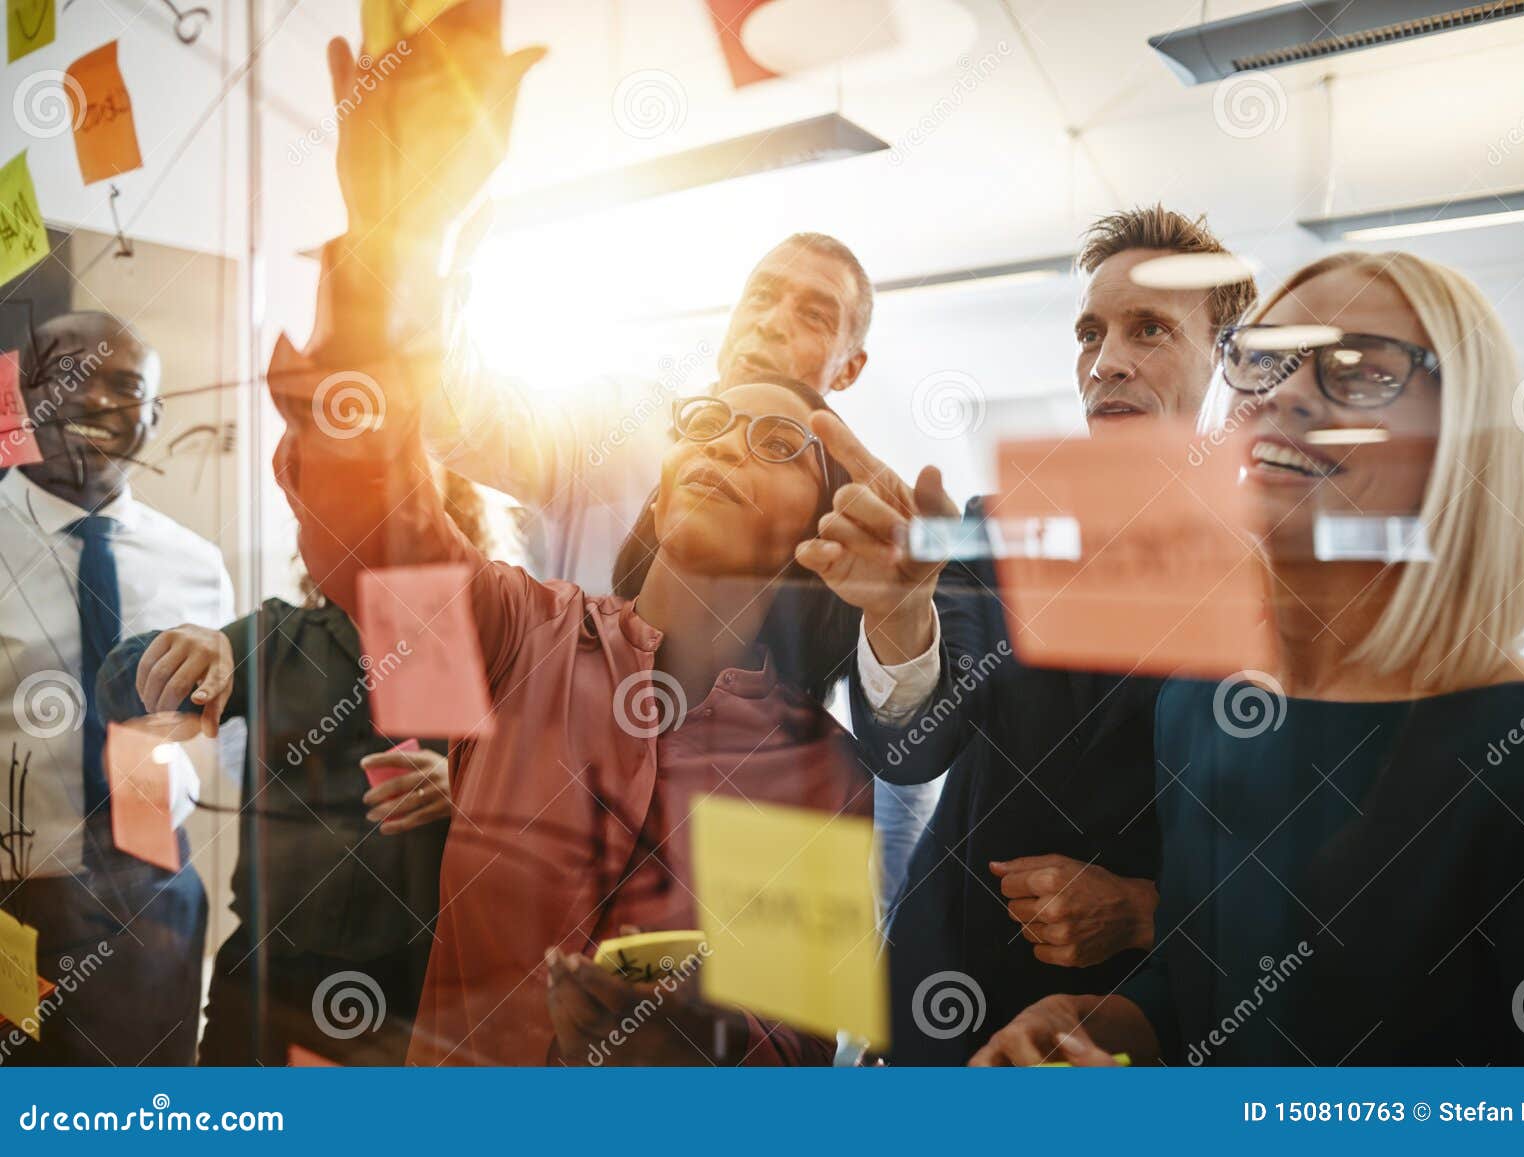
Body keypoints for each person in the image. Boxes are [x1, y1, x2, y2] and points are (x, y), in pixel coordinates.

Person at [267, 6, 873, 1065]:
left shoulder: (817, 771)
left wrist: (693, 1041)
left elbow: (787, 1051)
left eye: (774, 441)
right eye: (705, 424)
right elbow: (360, 520)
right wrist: (393, 246)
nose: (725, 442)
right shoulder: (517, 633)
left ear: (815, 531)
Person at [971, 251, 1524, 1066]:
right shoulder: (1203, 706)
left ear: (1460, 446)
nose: (1286, 392)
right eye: (1264, 358)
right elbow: (1209, 978)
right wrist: (1098, 1021)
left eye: (1363, 369)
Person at [796, 206, 1257, 1063]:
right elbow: (909, 749)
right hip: (941, 1002)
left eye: (1148, 329)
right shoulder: (999, 526)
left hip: (1124, 1032)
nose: (1106, 361)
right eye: (1091, 332)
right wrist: (900, 616)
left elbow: (1303, 854)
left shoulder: (1273, 583)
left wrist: (1146, 908)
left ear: (1227, 361)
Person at [94, 469, 493, 1065]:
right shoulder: (272, 637)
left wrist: (467, 789)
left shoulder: (495, 647)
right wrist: (178, 651)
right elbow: (120, 689)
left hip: (424, 989)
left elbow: (562, 790)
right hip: (265, 982)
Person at [0, 310, 233, 1064]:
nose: (97, 401)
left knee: (147, 1116)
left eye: (126, 387)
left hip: (154, 893)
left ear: (155, 418)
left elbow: (226, 740)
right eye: (69, 378)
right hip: (14, 900)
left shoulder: (197, 565)